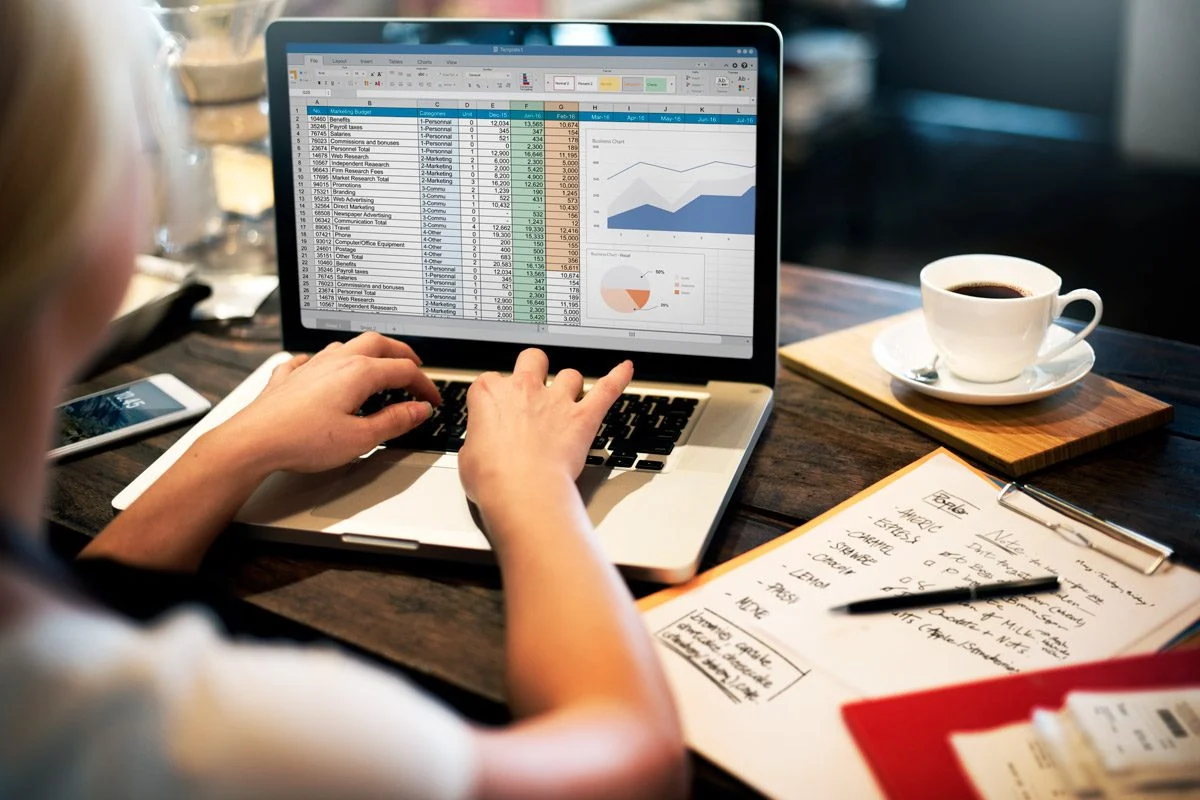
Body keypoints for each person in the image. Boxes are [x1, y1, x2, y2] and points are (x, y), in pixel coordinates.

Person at [0, 1, 687, 797]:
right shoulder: (215, 736)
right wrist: (530, 489)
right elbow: (634, 764)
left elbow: (92, 608)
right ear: (80, 215)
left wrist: (235, 447)